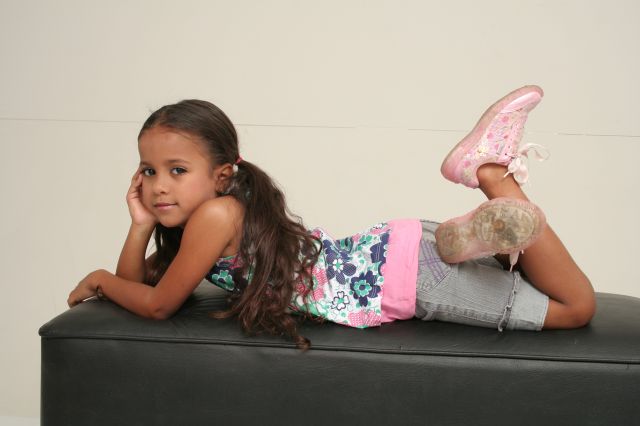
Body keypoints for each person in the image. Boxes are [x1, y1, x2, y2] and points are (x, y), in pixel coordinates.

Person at [68, 85, 596, 349]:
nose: (158, 185)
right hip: (400, 249)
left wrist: (97, 279)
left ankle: (490, 173)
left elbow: (156, 305)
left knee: (576, 308)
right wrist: (140, 225)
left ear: (223, 175)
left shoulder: (215, 216)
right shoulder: (219, 217)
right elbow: (137, 285)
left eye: (177, 170)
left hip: (406, 280)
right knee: (527, 271)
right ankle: (473, 237)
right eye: (149, 170)